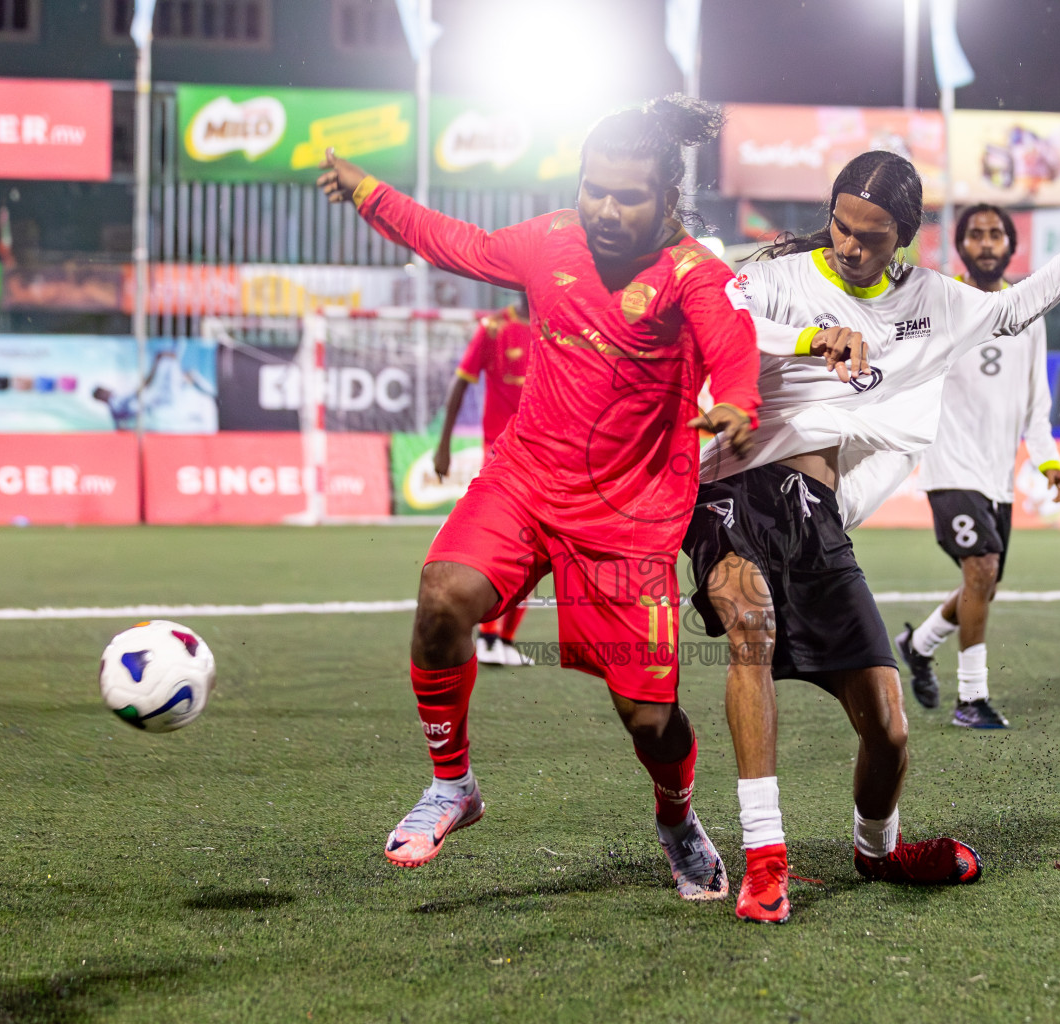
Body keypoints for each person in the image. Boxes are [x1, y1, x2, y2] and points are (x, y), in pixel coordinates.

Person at [316, 96, 761, 902]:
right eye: (594, 187)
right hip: (525, 482)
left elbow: (732, 347)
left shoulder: (695, 275)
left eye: (628, 196)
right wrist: (370, 194)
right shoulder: (552, 239)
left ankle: (676, 818)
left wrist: (735, 403)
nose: (604, 208)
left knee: (649, 719)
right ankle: (453, 785)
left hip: (629, 523)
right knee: (444, 593)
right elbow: (460, 243)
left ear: (669, 202)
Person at [684, 152, 1060, 923]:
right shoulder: (778, 279)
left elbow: (1023, 304)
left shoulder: (936, 302)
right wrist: (808, 339)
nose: (850, 245)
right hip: (731, 485)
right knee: (748, 625)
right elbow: (719, 316)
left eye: (871, 235)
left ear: (905, 235)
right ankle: (766, 860)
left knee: (889, 727)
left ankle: (877, 850)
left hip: (816, 516)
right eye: (839, 226)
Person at [894, 204, 1060, 730]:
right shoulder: (944, 305)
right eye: (976, 234)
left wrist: (1049, 460)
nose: (987, 242)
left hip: (998, 477)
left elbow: (1035, 404)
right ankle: (971, 698)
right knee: (982, 570)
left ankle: (918, 644)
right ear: (961, 246)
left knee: (982, 585)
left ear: (1011, 245)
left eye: (997, 233)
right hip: (949, 468)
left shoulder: (1029, 314)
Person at [433, 293, 534, 667]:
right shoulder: (493, 328)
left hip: (547, 449)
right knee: (508, 540)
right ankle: (491, 636)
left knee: (534, 546)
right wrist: (443, 445)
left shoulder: (557, 325)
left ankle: (500, 640)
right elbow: (461, 384)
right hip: (501, 451)